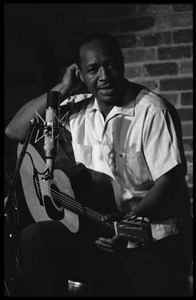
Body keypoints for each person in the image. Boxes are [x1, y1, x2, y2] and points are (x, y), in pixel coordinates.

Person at [5, 32, 193, 296]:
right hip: (98, 237)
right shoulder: (75, 111)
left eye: (111, 65)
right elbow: (15, 131)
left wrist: (126, 225)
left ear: (122, 64)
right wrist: (64, 87)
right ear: (80, 74)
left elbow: (171, 181)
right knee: (35, 238)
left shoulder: (153, 111)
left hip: (149, 241)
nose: (104, 76)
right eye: (93, 69)